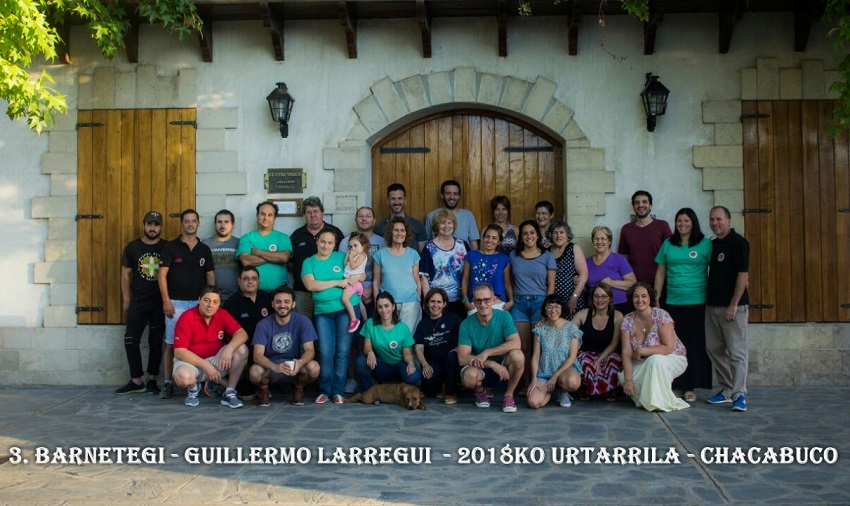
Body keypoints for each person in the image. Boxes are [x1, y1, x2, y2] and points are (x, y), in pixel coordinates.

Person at [654, 208, 712, 403]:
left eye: (686, 221)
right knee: (674, 345)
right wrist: (657, 297)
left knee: (694, 346)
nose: (682, 224)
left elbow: (717, 270)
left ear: (693, 222)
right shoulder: (668, 244)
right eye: (679, 221)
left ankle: (691, 386)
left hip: (698, 303)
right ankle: (676, 385)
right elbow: (661, 272)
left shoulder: (705, 244)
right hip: (673, 302)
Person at [158, 209, 215, 399]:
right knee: (171, 343)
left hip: (198, 304)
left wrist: (212, 301)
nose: (190, 224)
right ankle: (167, 383)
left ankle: (198, 381)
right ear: (182, 224)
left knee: (199, 342)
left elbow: (210, 276)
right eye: (187, 221)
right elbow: (162, 274)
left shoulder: (204, 249)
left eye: (194, 221)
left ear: (198, 224)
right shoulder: (171, 247)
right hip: (176, 303)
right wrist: (166, 301)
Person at [301, 227, 359, 404]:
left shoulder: (341, 258)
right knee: (325, 352)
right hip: (323, 313)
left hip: (345, 309)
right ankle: (325, 390)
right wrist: (337, 282)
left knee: (342, 351)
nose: (326, 245)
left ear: (335, 245)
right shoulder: (309, 262)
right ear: (317, 241)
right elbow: (310, 285)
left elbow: (358, 270)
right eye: (323, 241)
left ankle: (338, 391)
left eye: (330, 243)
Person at [704, 206, 750, 412]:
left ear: (729, 220)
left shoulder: (739, 243)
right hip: (712, 306)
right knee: (714, 349)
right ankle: (726, 388)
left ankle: (739, 394)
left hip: (733, 308)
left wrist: (733, 304)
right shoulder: (713, 245)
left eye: (719, 219)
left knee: (736, 352)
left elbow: (743, 275)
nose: (715, 223)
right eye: (712, 219)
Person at [172, 285, 249, 408]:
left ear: (219, 303)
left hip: (215, 360)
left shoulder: (222, 314)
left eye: (215, 302)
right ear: (199, 300)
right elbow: (179, 352)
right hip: (192, 363)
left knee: (241, 349)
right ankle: (193, 389)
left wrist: (229, 349)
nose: (210, 305)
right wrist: (206, 365)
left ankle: (229, 392)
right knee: (183, 378)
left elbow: (242, 334)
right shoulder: (187, 317)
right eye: (206, 300)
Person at [617, 283, 689, 412]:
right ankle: (648, 399)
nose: (640, 300)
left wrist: (644, 350)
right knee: (623, 377)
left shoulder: (661, 315)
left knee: (655, 360)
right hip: (645, 362)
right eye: (636, 296)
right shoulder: (627, 320)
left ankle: (658, 402)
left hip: (673, 357)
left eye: (644, 296)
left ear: (650, 298)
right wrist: (628, 380)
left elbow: (669, 347)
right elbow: (626, 351)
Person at [116, 210, 166, 395]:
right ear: (144, 225)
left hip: (159, 302)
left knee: (155, 341)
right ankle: (136, 380)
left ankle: (152, 379)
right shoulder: (133, 247)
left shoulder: (167, 247)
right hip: (138, 300)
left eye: (156, 224)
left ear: (161, 226)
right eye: (150, 224)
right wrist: (126, 301)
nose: (153, 228)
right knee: (130, 340)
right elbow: (125, 274)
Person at [458, 283, 525, 413]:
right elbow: (462, 358)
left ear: (494, 299)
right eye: (478, 300)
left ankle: (508, 395)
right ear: (473, 302)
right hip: (480, 365)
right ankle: (479, 391)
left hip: (503, 363)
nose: (483, 304)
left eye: (486, 300)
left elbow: (516, 343)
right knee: (469, 377)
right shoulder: (466, 324)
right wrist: (491, 363)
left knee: (518, 356)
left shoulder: (504, 316)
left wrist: (488, 352)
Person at [249, 286, 320, 407]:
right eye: (278, 302)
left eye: (286, 302)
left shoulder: (303, 321)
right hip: (271, 367)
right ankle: (264, 389)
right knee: (254, 372)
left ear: (293, 304)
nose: (282, 305)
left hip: (294, 366)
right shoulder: (263, 324)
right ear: (272, 304)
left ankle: (298, 388)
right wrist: (275, 367)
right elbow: (257, 355)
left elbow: (310, 351)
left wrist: (300, 362)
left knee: (314, 368)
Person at [509, 220, 556, 384]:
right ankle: (526, 381)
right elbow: (510, 281)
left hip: (540, 303)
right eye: (525, 233)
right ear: (521, 237)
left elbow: (551, 285)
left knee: (538, 346)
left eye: (532, 232)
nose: (529, 236)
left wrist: (547, 308)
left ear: (538, 235)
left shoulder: (547, 256)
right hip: (519, 304)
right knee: (523, 346)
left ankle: (539, 381)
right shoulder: (513, 256)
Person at [289, 197, 344, 318]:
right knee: (303, 328)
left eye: (316, 211)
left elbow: (343, 260)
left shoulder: (335, 232)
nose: (312, 215)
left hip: (330, 292)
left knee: (324, 328)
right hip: (302, 292)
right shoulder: (296, 236)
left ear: (322, 213)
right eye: (308, 212)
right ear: (304, 215)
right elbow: (290, 263)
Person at [356, 291, 422, 390]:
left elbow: (407, 352)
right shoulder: (370, 323)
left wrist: (411, 363)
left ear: (393, 307)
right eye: (380, 307)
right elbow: (367, 346)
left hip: (399, 365)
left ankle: (397, 384)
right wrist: (370, 352)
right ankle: (369, 391)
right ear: (377, 309)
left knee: (414, 375)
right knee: (361, 361)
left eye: (387, 306)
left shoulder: (403, 328)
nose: (383, 310)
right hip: (381, 365)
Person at [527, 294, 583, 409]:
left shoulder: (571, 328)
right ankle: (551, 390)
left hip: (564, 371)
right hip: (545, 372)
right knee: (534, 403)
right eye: (549, 307)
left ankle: (563, 391)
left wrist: (555, 376)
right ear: (545, 309)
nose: (553, 310)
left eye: (557, 306)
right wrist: (534, 379)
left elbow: (572, 357)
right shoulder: (540, 328)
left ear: (562, 308)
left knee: (573, 383)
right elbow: (536, 356)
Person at [572, 282, 623, 400]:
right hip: (586, 352)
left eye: (604, 296)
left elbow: (614, 343)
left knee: (614, 360)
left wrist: (600, 359)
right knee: (584, 361)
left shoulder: (617, 315)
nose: (600, 300)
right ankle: (587, 391)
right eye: (596, 296)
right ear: (592, 299)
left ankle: (609, 391)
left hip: (607, 352)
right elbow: (568, 329)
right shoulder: (583, 314)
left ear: (610, 299)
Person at [373, 216, 422, 333]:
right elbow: (376, 282)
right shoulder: (380, 254)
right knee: (390, 337)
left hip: (410, 303)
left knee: (406, 338)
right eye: (396, 230)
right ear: (390, 232)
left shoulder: (413, 254)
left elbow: (417, 280)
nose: (399, 233)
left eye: (402, 230)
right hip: (387, 303)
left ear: (406, 233)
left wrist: (418, 300)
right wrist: (377, 303)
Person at [420, 209, 471, 319]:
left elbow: (471, 272)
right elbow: (423, 277)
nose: (446, 226)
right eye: (442, 223)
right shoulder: (429, 248)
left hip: (460, 301)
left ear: (454, 225)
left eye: (449, 222)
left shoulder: (463, 245)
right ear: (436, 226)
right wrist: (428, 301)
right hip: (437, 303)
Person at [414, 288, 462, 404]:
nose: (435, 305)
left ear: (444, 304)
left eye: (439, 302)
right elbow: (419, 348)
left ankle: (451, 392)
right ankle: (442, 386)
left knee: (451, 358)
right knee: (429, 384)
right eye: (432, 301)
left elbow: (465, 339)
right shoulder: (423, 324)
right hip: (434, 362)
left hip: (452, 360)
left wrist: (458, 349)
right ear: (427, 303)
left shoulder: (453, 319)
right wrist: (425, 364)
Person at [236, 201, 293, 295]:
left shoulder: (283, 238)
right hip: (254, 294)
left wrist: (257, 252)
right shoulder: (247, 238)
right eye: (263, 214)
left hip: (279, 293)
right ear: (257, 215)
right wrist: (274, 256)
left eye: (270, 215)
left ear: (274, 218)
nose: (266, 218)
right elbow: (246, 261)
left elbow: (283, 258)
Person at [618, 190, 672, 285]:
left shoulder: (662, 226)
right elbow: (624, 258)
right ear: (633, 206)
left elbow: (671, 254)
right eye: (637, 202)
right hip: (635, 283)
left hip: (660, 282)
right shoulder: (626, 229)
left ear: (650, 205)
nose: (640, 205)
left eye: (644, 202)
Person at [339, 206, 386, 312]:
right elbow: (342, 269)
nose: (364, 219)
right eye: (360, 216)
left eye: (368, 216)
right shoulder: (345, 242)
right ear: (355, 220)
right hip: (351, 293)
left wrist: (372, 290)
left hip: (377, 293)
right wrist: (356, 289)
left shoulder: (383, 242)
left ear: (374, 221)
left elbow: (387, 269)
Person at [461, 224, 513, 315]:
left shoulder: (504, 259)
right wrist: (465, 300)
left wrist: (511, 301)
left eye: (494, 238)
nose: (490, 240)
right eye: (487, 236)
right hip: (476, 303)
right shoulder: (471, 256)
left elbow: (507, 283)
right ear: (483, 238)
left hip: (498, 303)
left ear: (499, 241)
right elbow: (465, 279)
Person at [586, 226, 636, 314]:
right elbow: (586, 289)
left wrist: (612, 283)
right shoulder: (586, 262)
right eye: (596, 239)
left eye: (603, 239)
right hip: (595, 308)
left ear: (609, 241)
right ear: (592, 241)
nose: (599, 242)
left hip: (618, 306)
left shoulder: (618, 259)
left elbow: (632, 283)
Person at [548, 220, 588, 319]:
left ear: (567, 235)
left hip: (572, 302)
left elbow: (584, 274)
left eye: (562, 232)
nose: (558, 236)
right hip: (553, 304)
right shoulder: (547, 252)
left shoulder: (574, 248)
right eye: (555, 233)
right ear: (551, 235)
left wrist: (574, 298)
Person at [425, 179, 480, 249]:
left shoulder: (468, 216)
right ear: (442, 195)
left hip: (463, 258)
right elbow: (426, 242)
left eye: (455, 194)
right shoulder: (431, 216)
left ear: (459, 196)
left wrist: (473, 259)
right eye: (448, 193)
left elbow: (473, 243)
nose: (452, 197)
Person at [375, 183, 427, 251]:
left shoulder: (417, 225)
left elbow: (423, 254)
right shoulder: (379, 227)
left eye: (400, 198)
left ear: (405, 201)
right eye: (393, 199)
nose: (397, 202)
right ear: (387, 202)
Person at [202, 209, 241, 301]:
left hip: (236, 297)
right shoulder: (205, 245)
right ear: (215, 224)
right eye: (219, 222)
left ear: (233, 224)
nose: (223, 225)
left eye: (226, 222)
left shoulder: (240, 243)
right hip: (213, 298)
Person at [340, 231, 369, 332]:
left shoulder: (362, 255)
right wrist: (348, 256)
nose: (352, 248)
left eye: (355, 245)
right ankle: (366, 321)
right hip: (353, 281)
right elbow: (345, 264)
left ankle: (354, 319)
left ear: (363, 245)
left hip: (355, 283)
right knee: (360, 303)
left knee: (344, 299)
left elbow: (353, 266)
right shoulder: (353, 254)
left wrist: (351, 256)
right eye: (350, 246)